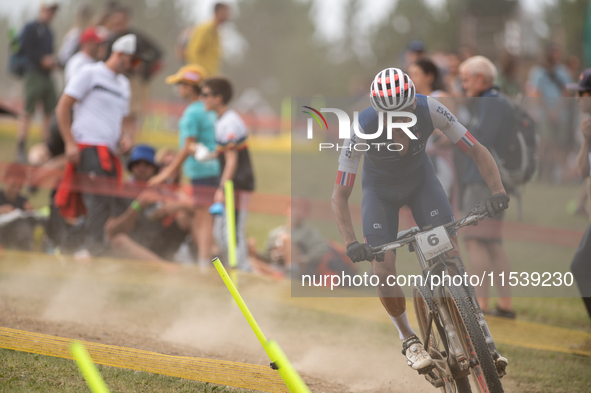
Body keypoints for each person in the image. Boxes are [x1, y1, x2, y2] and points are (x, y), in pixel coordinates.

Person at [331, 67, 509, 374]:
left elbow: (477, 151)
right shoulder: (362, 126)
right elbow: (340, 195)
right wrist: (351, 243)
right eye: (393, 118)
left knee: (450, 251)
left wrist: (498, 191)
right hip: (379, 193)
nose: (401, 124)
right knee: (383, 265)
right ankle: (408, 339)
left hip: (421, 183)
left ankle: (479, 333)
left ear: (414, 103)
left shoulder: (431, 108)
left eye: (407, 114)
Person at [54, 34, 136, 258]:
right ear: (120, 55)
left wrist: (126, 136)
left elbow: (124, 120)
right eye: (132, 60)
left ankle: (72, 248)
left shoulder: (124, 85)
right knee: (96, 201)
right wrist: (70, 143)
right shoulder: (89, 73)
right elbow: (63, 108)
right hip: (88, 147)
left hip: (110, 152)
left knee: (106, 203)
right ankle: (91, 250)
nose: (133, 66)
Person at [459, 56, 515, 319]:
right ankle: (505, 305)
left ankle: (481, 304)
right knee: (493, 242)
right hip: (495, 181)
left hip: (482, 180)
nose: (463, 86)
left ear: (481, 79)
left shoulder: (489, 102)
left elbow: (480, 140)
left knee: (475, 240)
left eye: (466, 80)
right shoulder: (499, 100)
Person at [149, 64, 219, 266]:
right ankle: (206, 260)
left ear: (190, 86)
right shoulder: (208, 111)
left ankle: (205, 263)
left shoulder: (192, 113)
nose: (178, 88)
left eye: (181, 84)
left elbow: (188, 147)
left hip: (203, 172)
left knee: (203, 219)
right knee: (202, 218)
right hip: (211, 171)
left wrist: (167, 173)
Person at [202, 77, 255, 271]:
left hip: (237, 185)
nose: (202, 99)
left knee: (233, 232)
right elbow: (227, 153)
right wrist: (208, 154)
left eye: (206, 94)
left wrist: (221, 189)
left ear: (218, 98)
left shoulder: (229, 122)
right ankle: (240, 270)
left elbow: (232, 160)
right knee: (221, 232)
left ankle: (244, 273)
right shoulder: (222, 120)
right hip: (232, 184)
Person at [105, 145, 191, 262]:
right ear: (131, 167)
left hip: (159, 244)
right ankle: (167, 268)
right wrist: (137, 206)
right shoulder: (122, 192)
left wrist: (176, 206)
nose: (142, 168)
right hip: (133, 246)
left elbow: (195, 206)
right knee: (119, 240)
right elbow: (111, 231)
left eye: (147, 164)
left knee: (187, 216)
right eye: (137, 164)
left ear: (154, 168)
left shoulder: (162, 190)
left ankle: (206, 261)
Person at [408, 59, 458, 209]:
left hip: (439, 162)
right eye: (409, 75)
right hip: (416, 164)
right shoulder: (411, 102)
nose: (411, 79)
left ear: (429, 77)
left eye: (415, 74)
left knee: (438, 211)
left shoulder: (439, 97)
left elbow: (452, 134)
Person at [16, 1, 59, 162]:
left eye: (53, 12)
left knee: (50, 111)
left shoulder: (49, 32)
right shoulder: (30, 27)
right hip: (32, 72)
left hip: (46, 75)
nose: (51, 15)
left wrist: (51, 61)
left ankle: (45, 146)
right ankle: (21, 146)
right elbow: (22, 49)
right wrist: (40, 60)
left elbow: (50, 52)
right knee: (28, 110)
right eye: (49, 11)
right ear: (42, 10)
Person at [526, 43, 573, 182]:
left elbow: (567, 93)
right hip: (544, 115)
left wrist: (557, 111)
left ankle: (560, 175)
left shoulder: (562, 72)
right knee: (546, 143)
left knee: (560, 144)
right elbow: (536, 94)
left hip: (561, 115)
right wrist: (549, 112)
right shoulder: (538, 72)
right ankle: (543, 173)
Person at [568, 69, 591, 324]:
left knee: (581, 266)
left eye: (581, 93)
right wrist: (586, 141)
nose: (577, 98)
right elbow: (584, 171)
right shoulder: (587, 126)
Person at [185, 2, 230, 76]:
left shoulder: (217, 33)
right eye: (225, 13)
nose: (227, 16)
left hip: (211, 76)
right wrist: (199, 74)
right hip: (201, 77)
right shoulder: (205, 29)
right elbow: (193, 51)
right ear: (217, 12)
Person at [0, 163, 35, 250]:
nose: (16, 190)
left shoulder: (23, 201)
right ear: (5, 179)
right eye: (13, 186)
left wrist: (30, 213)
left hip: (20, 240)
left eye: (20, 187)